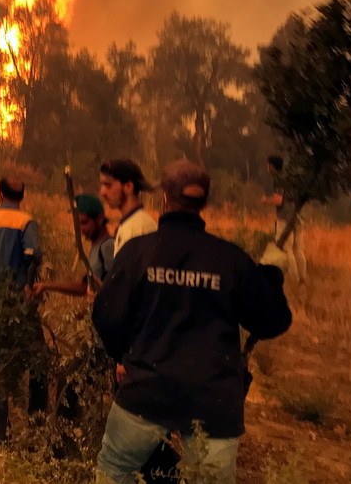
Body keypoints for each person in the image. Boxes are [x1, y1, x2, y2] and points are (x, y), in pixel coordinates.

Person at [92, 160, 292, 484]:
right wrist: (271, 276)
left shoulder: (138, 252)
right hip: (213, 402)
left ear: (164, 198)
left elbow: (105, 316)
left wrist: (125, 356)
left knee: (115, 470)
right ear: (206, 203)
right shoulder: (230, 260)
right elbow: (272, 322)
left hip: (146, 391)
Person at [0, 174, 44, 446]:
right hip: (17, 304)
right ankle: (37, 424)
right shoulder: (26, 222)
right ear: (21, 197)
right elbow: (33, 254)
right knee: (39, 364)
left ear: (0, 193)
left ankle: (1, 435)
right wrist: (29, 284)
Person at [32, 194, 114, 298]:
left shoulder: (108, 246)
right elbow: (83, 287)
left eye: (84, 222)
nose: (81, 229)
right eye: (79, 224)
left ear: (100, 219)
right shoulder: (96, 248)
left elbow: (117, 288)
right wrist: (46, 286)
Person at [263, 155, 306, 283]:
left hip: (285, 219)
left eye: (268, 165)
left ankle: (294, 281)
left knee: (287, 250)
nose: (267, 167)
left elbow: (278, 200)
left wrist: (266, 200)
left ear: (272, 166)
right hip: (297, 217)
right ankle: (303, 278)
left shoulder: (278, 179)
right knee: (298, 249)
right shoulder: (291, 178)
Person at [99, 159, 157, 253]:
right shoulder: (129, 224)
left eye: (108, 185)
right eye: (102, 185)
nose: (102, 192)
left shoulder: (140, 228)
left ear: (128, 187)